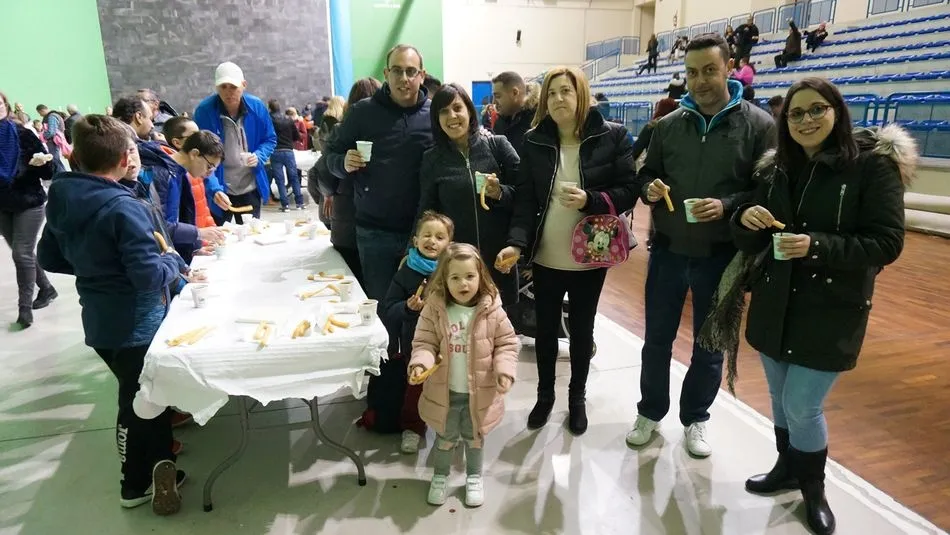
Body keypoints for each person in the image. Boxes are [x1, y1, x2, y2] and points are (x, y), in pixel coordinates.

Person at [727, 77, 915, 535]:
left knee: (802, 405)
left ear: (837, 112)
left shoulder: (871, 168)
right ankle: (786, 468)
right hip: (776, 301)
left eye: (817, 110)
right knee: (779, 399)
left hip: (831, 306)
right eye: (796, 113)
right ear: (784, 121)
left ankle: (813, 489)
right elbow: (752, 232)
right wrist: (744, 218)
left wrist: (816, 246)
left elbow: (887, 242)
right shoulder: (775, 170)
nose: (807, 120)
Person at [625, 34, 776, 457]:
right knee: (656, 340)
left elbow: (767, 192)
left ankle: (696, 418)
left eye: (709, 70)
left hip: (722, 257)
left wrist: (727, 205)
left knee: (710, 346)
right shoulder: (668, 126)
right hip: (668, 252)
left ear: (730, 67)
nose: (700, 80)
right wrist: (649, 187)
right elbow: (645, 174)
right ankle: (650, 412)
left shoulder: (760, 126)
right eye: (692, 72)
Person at [37, 114, 191, 515]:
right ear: (126, 157)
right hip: (137, 324)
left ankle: (161, 468)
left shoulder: (64, 196)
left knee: (144, 396)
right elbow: (147, 276)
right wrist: (172, 261)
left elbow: (48, 257)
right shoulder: (124, 208)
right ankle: (136, 481)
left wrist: (97, 270)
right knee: (141, 403)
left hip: (101, 321)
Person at [495, 66, 637, 436]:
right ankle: (545, 396)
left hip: (591, 256)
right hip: (546, 255)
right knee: (543, 330)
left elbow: (628, 190)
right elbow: (525, 199)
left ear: (582, 96)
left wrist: (592, 200)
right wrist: (517, 243)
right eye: (552, 93)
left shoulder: (613, 136)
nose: (559, 98)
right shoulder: (534, 141)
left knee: (582, 329)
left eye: (566, 91)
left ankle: (577, 397)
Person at [410, 242, 519, 507]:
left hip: (479, 392)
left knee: (475, 438)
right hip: (444, 392)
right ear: (444, 280)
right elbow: (424, 343)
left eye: (470, 276)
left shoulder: (492, 310)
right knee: (445, 438)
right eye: (455, 277)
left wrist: (504, 370)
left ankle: (473, 477)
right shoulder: (435, 309)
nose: (463, 284)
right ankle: (440, 476)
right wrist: (420, 364)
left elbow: (507, 344)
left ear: (480, 275)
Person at [324, 44, 433, 300]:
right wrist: (343, 162)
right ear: (386, 73)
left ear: (422, 75)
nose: (403, 79)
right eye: (397, 71)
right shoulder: (363, 112)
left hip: (421, 235)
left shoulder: (433, 115)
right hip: (374, 233)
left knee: (421, 309)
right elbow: (329, 158)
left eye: (410, 71)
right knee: (382, 308)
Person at [418, 83, 520, 306]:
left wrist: (500, 193)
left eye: (457, 108)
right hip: (458, 271)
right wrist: (414, 253)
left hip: (500, 262)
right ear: (436, 119)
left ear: (469, 111)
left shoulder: (498, 146)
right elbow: (427, 212)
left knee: (500, 335)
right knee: (460, 335)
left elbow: (526, 199)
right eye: (443, 111)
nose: (452, 116)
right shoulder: (432, 159)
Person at [114, 97, 224, 263]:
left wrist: (193, 248)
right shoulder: (162, 174)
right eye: (209, 166)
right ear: (194, 154)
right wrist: (198, 233)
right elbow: (159, 225)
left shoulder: (176, 171)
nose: (209, 173)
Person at [379, 211, 454, 452]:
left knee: (449, 385)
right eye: (427, 235)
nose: (432, 241)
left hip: (449, 341)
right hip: (416, 341)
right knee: (416, 385)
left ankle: (448, 427)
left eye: (440, 237)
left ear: (449, 243)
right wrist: (407, 309)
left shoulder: (453, 270)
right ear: (415, 240)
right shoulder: (406, 271)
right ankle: (412, 426)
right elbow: (388, 308)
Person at [312, 78, 381, 287]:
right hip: (374, 223)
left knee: (347, 289)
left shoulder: (341, 129)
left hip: (345, 224)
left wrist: (328, 193)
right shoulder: (380, 129)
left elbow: (319, 174)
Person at [193, 61, 277, 224]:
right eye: (223, 87)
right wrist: (213, 188)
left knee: (251, 235)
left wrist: (259, 155)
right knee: (220, 238)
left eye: (233, 86)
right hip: (219, 185)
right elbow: (200, 155)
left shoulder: (257, 107)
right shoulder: (204, 111)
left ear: (243, 85)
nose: (228, 92)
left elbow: (270, 139)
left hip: (250, 185)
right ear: (216, 88)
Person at [0, 91, 57, 328]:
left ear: (6, 106)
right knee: (22, 252)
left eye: (0, 102)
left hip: (29, 201)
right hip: (2, 205)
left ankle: (24, 309)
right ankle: (47, 288)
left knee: (21, 254)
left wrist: (41, 164)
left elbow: (48, 172)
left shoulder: (22, 134)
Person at [162, 117, 215, 230]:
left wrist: (212, 228)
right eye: (194, 136)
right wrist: (198, 238)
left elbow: (203, 207)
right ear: (177, 142)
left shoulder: (196, 167)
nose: (201, 140)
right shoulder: (171, 174)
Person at [267, 99, 304, 211]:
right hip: (288, 151)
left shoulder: (268, 120)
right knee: (294, 178)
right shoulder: (288, 119)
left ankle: (285, 205)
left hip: (275, 151)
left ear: (269, 108)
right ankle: (299, 203)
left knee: (279, 179)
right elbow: (297, 136)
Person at [491, 71, 536, 157]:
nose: (493, 102)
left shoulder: (537, 121)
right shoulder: (500, 123)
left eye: (498, 96)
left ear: (515, 93)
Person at [35, 104, 66, 174]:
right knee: (55, 161)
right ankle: (62, 176)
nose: (40, 115)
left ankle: (62, 176)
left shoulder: (51, 116)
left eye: (40, 113)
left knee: (55, 160)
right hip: (54, 142)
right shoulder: (54, 115)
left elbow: (51, 132)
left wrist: (42, 137)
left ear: (42, 110)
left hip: (53, 142)